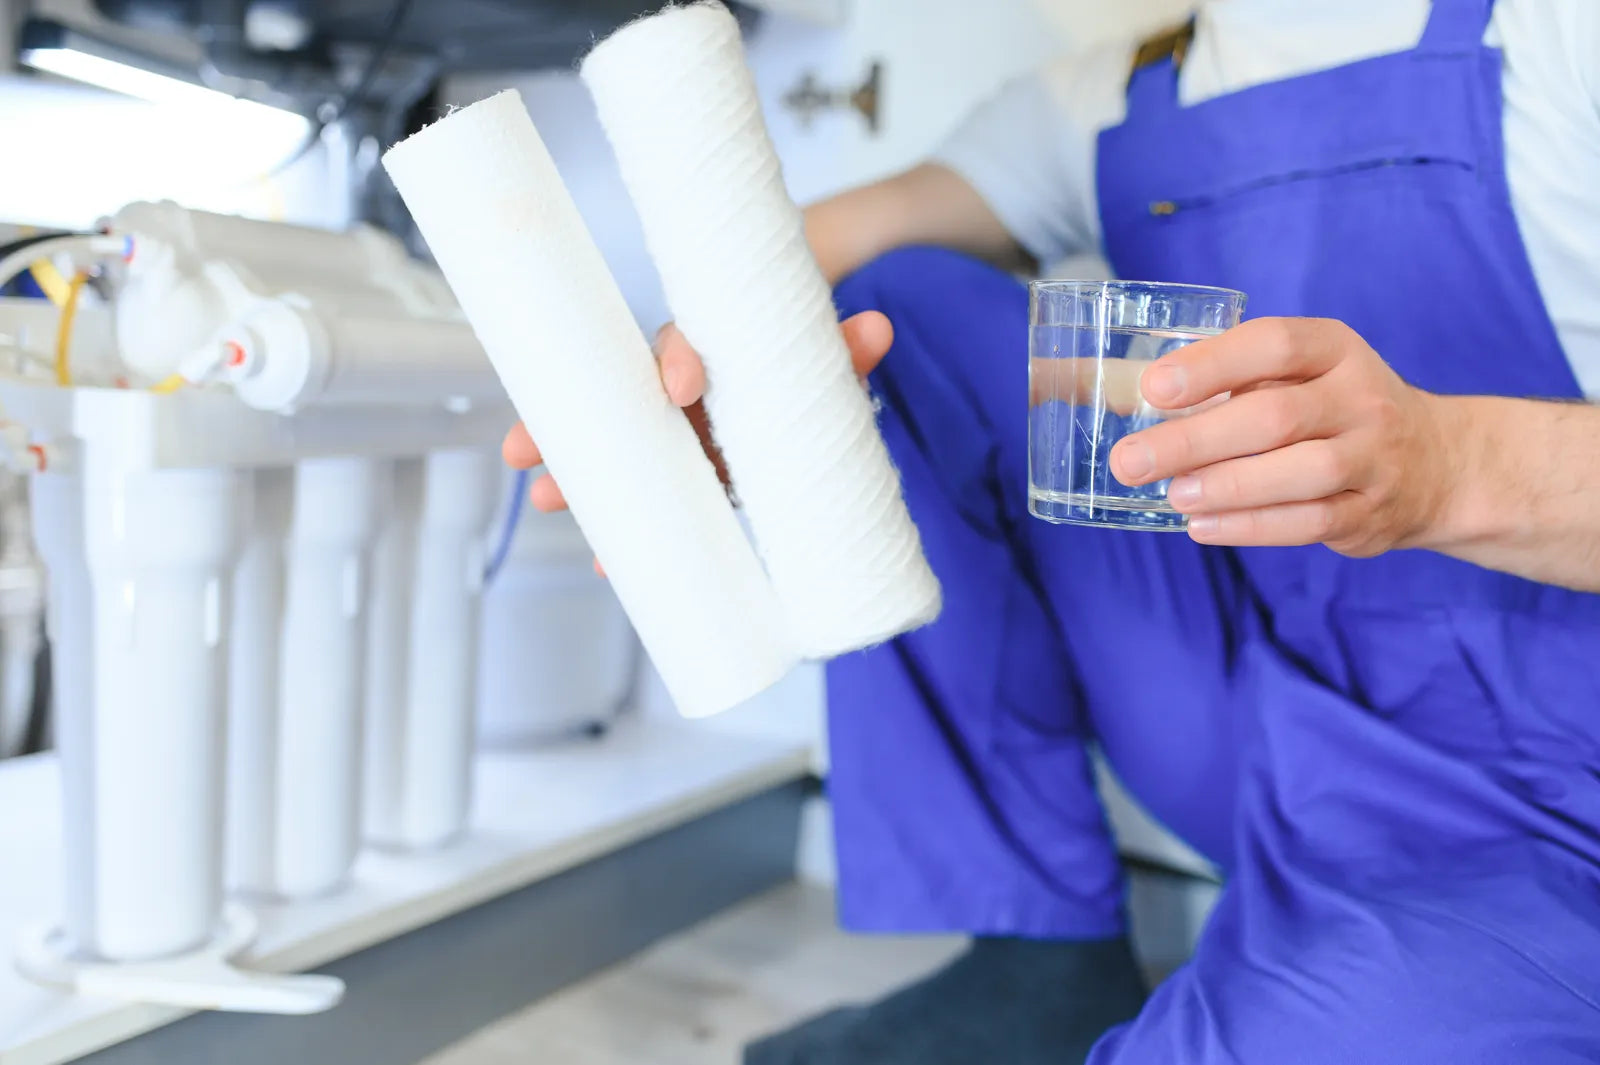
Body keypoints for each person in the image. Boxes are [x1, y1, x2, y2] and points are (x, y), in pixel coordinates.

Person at [504, 0, 1600, 1060]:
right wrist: (687, 388)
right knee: (895, 314)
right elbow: (777, 276)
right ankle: (1033, 959)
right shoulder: (1119, 95)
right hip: (1273, 714)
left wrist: (1452, 465)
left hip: (1561, 796)